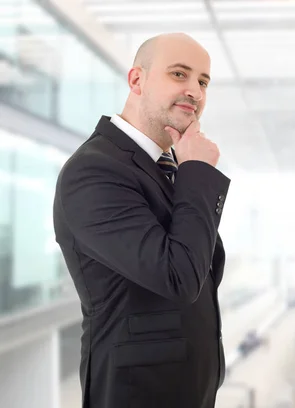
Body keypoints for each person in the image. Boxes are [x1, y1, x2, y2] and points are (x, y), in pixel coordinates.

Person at [53, 33, 230, 408]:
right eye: (179, 74)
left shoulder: (167, 168)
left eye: (202, 81)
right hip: (137, 393)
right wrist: (197, 172)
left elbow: (199, 265)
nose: (195, 92)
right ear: (137, 80)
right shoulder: (94, 170)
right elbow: (178, 277)